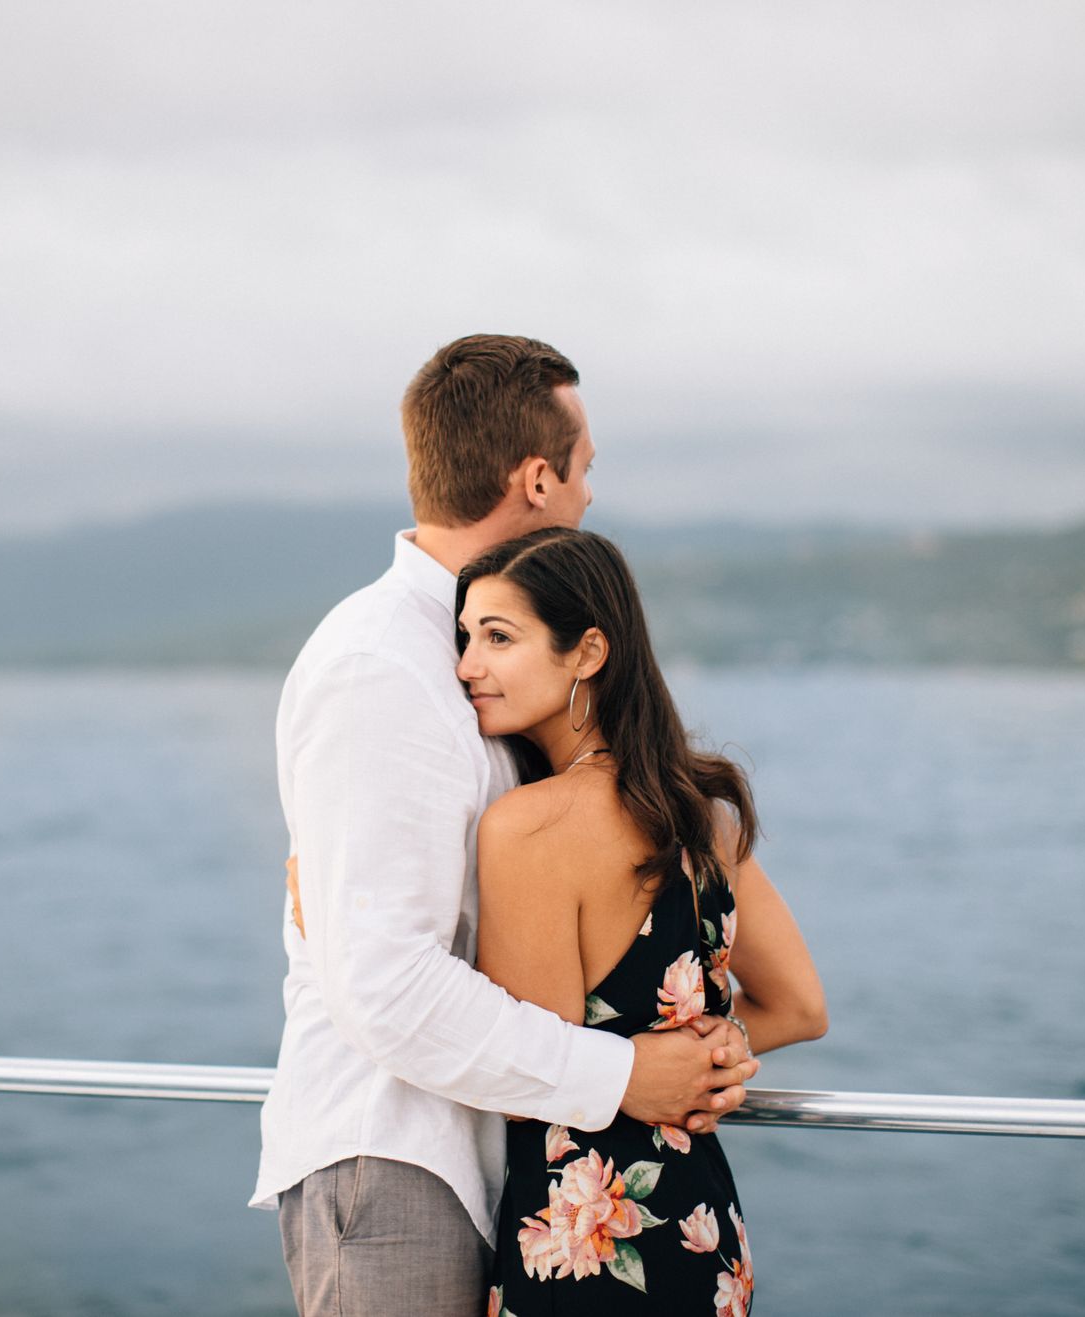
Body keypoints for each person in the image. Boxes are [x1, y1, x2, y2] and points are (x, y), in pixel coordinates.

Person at [252, 335, 759, 1317]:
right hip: (393, 1157)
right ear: (536, 477)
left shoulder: (471, 658)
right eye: (584, 470)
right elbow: (383, 983)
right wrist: (624, 1072)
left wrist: (702, 1040)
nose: (588, 497)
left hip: (480, 1151)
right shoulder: (380, 669)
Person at [455, 526, 828, 1315]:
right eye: (464, 637)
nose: (467, 667)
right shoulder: (703, 813)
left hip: (581, 1248)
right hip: (705, 1234)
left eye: (498, 636)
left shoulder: (528, 827)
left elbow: (530, 1082)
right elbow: (799, 1007)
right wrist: (709, 1050)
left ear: (588, 651)